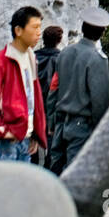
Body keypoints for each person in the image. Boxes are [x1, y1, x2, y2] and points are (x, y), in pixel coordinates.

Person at [0, 6, 47, 164]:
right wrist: (1, 131)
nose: (39, 32)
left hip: (25, 140)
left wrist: (35, 133)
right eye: (34, 27)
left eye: (40, 27)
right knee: (1, 187)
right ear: (18, 30)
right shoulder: (1, 61)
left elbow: (33, 100)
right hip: (5, 142)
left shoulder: (31, 58)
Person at [47, 6, 109, 174]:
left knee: (55, 169)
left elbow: (54, 88)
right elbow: (99, 99)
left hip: (60, 121)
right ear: (102, 33)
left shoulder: (65, 53)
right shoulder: (98, 59)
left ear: (82, 28)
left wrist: (51, 120)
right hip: (82, 124)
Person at [35, 24, 63, 153]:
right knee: (52, 138)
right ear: (59, 41)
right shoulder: (62, 59)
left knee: (32, 137)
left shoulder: (33, 56)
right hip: (54, 103)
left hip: (35, 102)